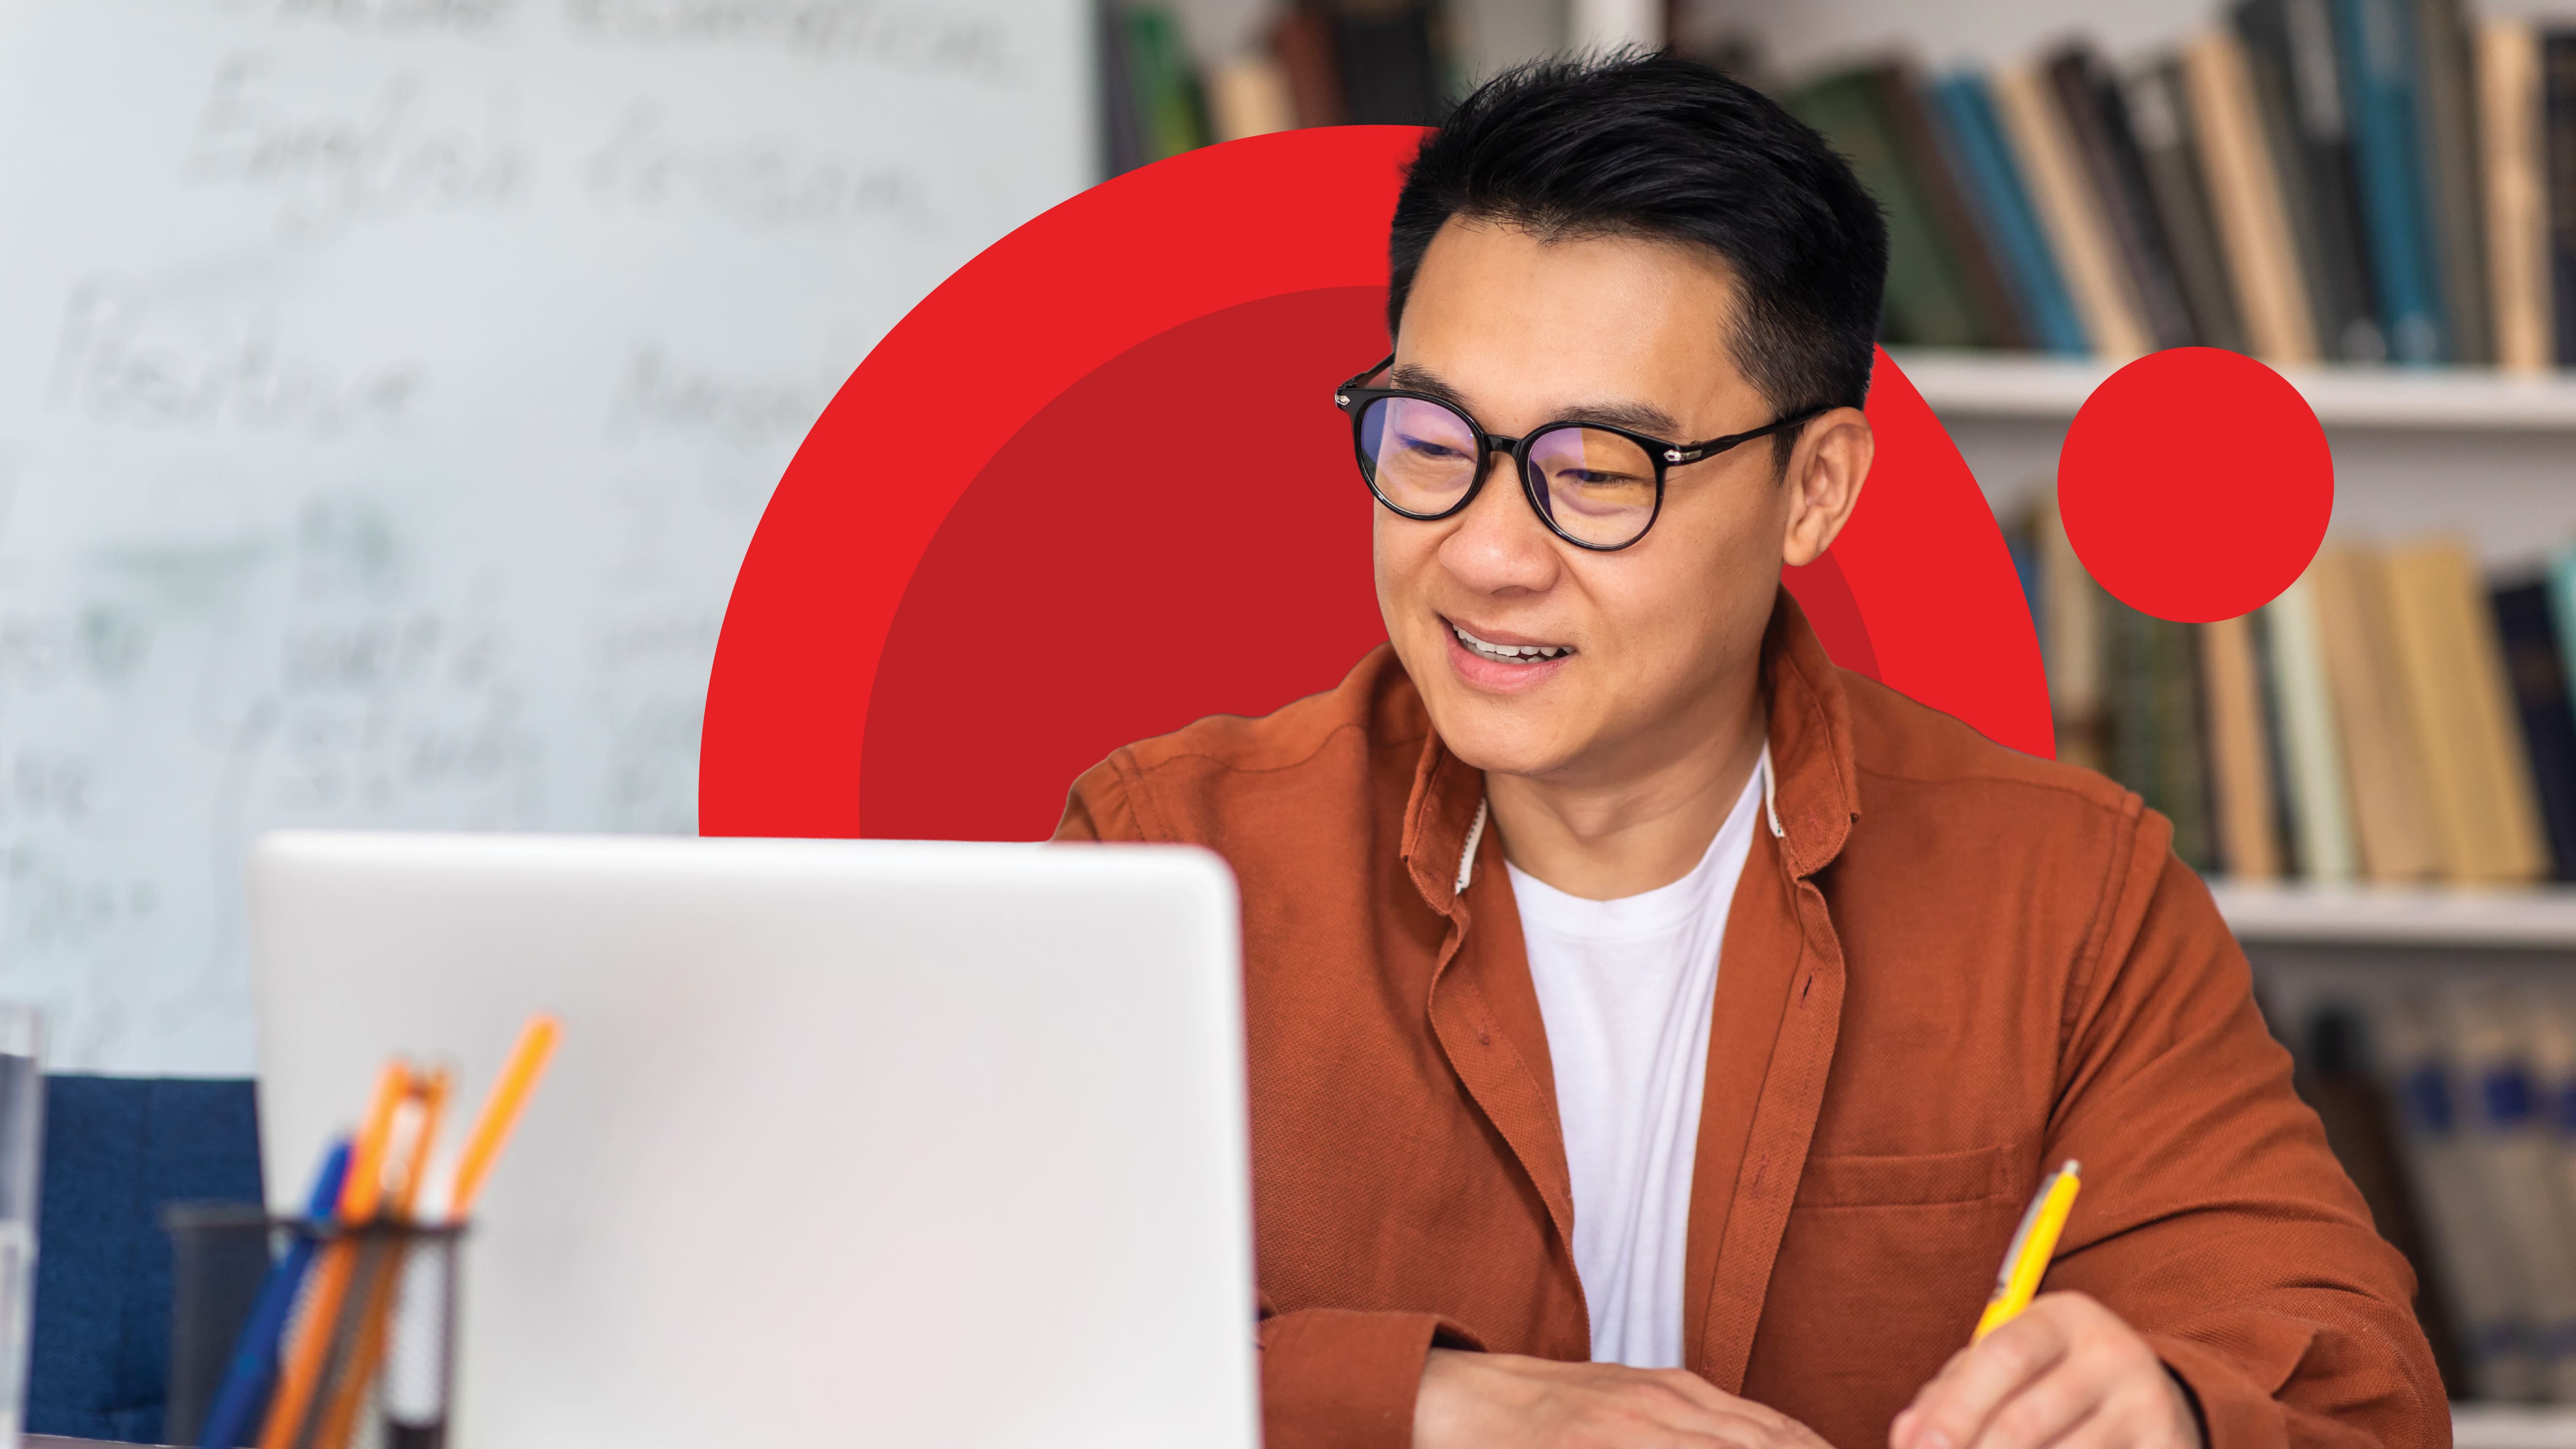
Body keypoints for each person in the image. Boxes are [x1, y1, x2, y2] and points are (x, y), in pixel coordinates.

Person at [1052, 50, 2439, 1449]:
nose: (1480, 552)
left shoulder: (2070, 896)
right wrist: (1435, 1403)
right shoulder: (1174, 857)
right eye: (1429, 438)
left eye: (1595, 471)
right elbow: (978, 1346)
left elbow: (2361, 1393)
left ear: (1816, 491)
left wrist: (2180, 1414)